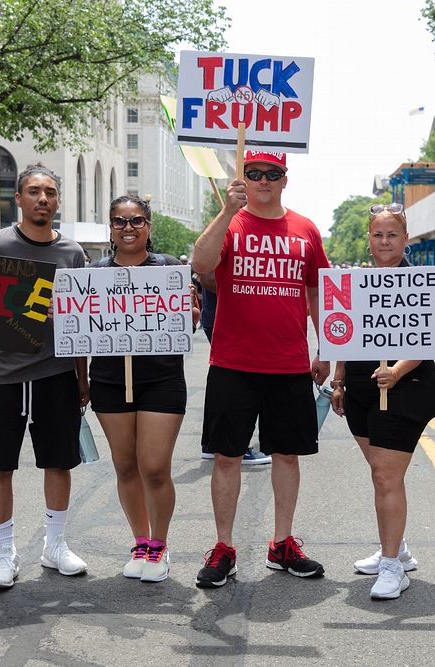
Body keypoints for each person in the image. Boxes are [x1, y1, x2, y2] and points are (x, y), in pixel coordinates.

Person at [190, 150, 330, 588]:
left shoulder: (305, 229)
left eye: (272, 174)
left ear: (285, 179)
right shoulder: (230, 222)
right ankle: (224, 546)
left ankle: (282, 543)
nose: (263, 180)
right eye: (254, 173)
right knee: (227, 456)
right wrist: (227, 210)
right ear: (243, 178)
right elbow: (200, 264)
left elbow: (317, 294)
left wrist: (325, 348)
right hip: (233, 362)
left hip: (288, 364)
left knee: (286, 455)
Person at [0, 164, 88, 589]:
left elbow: (81, 320)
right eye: (34, 191)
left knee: (59, 461)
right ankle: (4, 553)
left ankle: (55, 544)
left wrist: (82, 378)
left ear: (58, 200)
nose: (42, 198)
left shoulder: (73, 253)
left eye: (50, 191)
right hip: (0, 375)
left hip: (56, 372)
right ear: (19, 199)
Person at [328, 203, 435, 599]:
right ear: (368, 239)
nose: (384, 241)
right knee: (381, 473)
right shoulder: (355, 280)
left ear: (405, 239)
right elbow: (342, 332)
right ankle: (398, 548)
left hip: (408, 387)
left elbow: (428, 338)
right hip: (361, 389)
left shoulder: (421, 281)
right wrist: (339, 379)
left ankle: (394, 567)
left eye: (392, 235)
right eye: (378, 234)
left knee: (385, 477)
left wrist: (396, 370)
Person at [83, 194, 199, 583]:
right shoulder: (94, 272)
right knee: (125, 465)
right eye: (119, 221)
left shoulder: (168, 268)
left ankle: (160, 545)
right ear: (110, 228)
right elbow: (78, 331)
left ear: (148, 226)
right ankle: (140, 543)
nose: (128, 228)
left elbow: (190, 323)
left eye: (136, 221)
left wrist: (191, 312)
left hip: (162, 379)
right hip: (110, 381)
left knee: (153, 466)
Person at [195, 267, 271, 465]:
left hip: (226, 317)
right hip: (225, 318)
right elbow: (206, 277)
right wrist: (250, 292)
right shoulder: (224, 235)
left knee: (224, 381)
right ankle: (237, 444)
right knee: (239, 381)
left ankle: (212, 443)